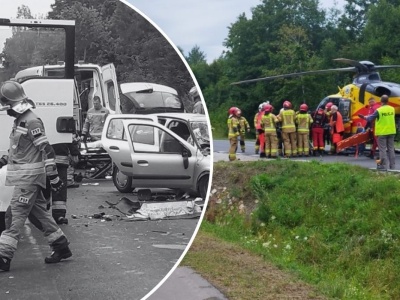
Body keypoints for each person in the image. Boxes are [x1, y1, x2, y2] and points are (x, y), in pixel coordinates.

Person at [0, 81, 72, 271]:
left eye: (7, 107)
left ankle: (3, 257)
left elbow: (47, 151)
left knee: (14, 215)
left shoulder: (32, 121)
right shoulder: (20, 120)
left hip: (29, 180)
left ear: (14, 104)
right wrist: (5, 160)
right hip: (25, 178)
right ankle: (61, 246)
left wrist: (55, 178)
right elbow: (22, 150)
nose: (6, 111)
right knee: (37, 214)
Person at [360, 94, 396, 170]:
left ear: (380, 101)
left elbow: (370, 119)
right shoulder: (392, 109)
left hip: (382, 132)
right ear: (388, 101)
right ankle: (393, 167)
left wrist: (364, 117)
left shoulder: (379, 110)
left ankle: (384, 166)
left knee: (382, 149)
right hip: (391, 131)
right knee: (391, 149)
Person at [51, 141, 80, 225]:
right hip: (56, 159)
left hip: (57, 161)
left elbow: (70, 136)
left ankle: (57, 215)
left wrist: (74, 152)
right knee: (49, 189)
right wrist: (74, 152)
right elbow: (71, 136)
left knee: (58, 188)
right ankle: (44, 215)